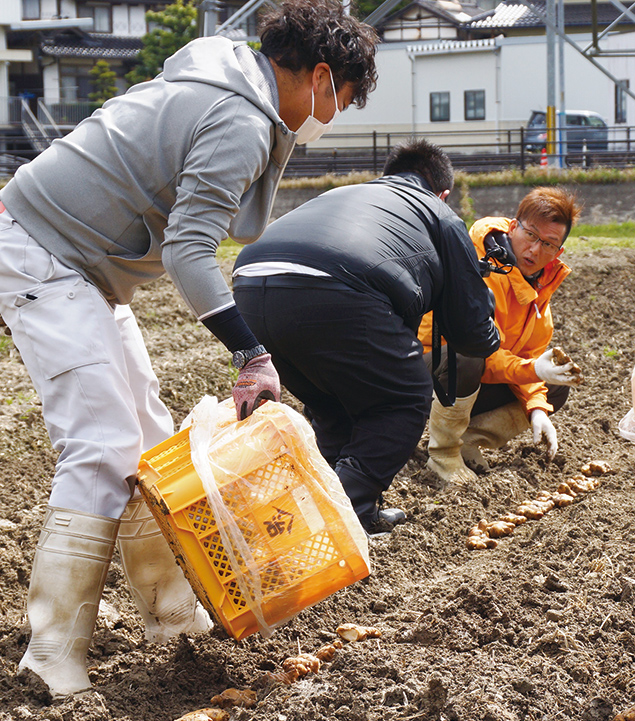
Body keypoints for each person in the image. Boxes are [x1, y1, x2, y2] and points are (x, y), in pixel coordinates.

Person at [0, 0, 379, 698]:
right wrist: (250, 352)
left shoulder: (232, 91)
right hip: (44, 253)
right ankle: (50, 652)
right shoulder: (237, 116)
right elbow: (189, 249)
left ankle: (172, 618)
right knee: (102, 442)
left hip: (82, 267)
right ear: (321, 76)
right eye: (342, 101)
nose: (334, 117)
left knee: (150, 449)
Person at [233, 140, 500, 534]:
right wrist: (491, 327)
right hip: (335, 286)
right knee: (403, 398)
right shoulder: (439, 213)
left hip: (250, 284)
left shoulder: (349, 193)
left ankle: (353, 511)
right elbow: (471, 331)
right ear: (442, 193)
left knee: (332, 405)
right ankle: (327, 522)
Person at [418, 187, 583, 484]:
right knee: (469, 356)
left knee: (554, 387)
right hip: (429, 371)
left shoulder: (538, 293)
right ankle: (443, 453)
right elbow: (478, 348)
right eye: (530, 235)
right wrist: (530, 369)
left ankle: (467, 440)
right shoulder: (481, 268)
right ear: (512, 227)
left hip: (472, 378)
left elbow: (528, 357)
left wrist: (536, 408)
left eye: (548, 243)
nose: (534, 250)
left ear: (558, 253)